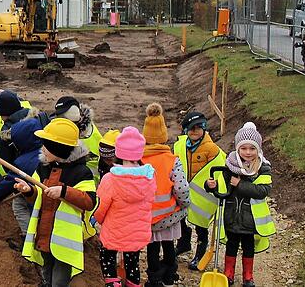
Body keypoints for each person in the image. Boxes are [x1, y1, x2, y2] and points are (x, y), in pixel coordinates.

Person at [18, 118, 97, 287]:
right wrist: (29, 191)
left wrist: (64, 191)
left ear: (59, 148)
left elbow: (89, 201)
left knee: (59, 280)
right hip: (45, 234)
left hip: (64, 242)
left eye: (47, 145)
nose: (43, 149)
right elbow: (38, 196)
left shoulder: (81, 173)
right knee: (47, 272)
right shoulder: (44, 167)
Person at [206, 124, 275, 287]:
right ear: (238, 149)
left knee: (248, 247)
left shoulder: (263, 168)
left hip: (250, 219)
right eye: (244, 148)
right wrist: (210, 186)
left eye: (252, 148)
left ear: (258, 150)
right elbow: (224, 189)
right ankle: (228, 274)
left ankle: (248, 276)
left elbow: (262, 191)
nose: (248, 152)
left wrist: (239, 184)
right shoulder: (229, 167)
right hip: (231, 215)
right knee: (231, 244)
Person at [94, 127, 156, 287]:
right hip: (137, 232)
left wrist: (98, 220)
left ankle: (113, 284)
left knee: (107, 258)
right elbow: (149, 203)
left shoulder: (110, 179)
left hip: (114, 231)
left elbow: (101, 208)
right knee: (133, 263)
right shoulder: (149, 177)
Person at [0, 93, 42, 250]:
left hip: (29, 177)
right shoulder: (36, 119)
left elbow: (12, 171)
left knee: (22, 205)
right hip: (38, 175)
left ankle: (29, 242)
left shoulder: (9, 133)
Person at [141, 103, 190, 287]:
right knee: (169, 244)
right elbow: (181, 188)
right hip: (169, 215)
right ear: (164, 135)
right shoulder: (172, 160)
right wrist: (184, 204)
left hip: (148, 217)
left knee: (152, 248)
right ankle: (169, 276)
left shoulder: (139, 161)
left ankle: (154, 278)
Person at [174, 111, 226, 270]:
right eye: (191, 128)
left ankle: (200, 252)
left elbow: (218, 169)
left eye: (198, 127)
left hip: (202, 194)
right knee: (180, 217)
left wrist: (213, 184)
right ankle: (184, 243)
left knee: (200, 224)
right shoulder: (181, 145)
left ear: (204, 128)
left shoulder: (211, 148)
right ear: (185, 130)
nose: (195, 131)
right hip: (184, 191)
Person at [52, 96, 104, 182]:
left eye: (64, 115)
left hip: (92, 182)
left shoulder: (89, 135)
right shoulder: (61, 130)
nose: (62, 118)